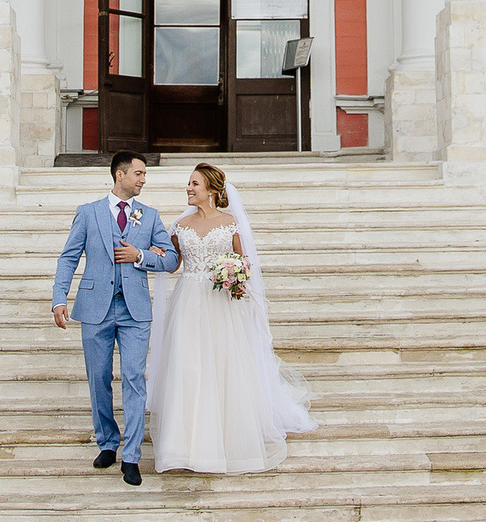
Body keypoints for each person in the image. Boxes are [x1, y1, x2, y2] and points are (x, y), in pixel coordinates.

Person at [143, 163, 317, 474]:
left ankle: (225, 440)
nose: (189, 189)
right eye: (189, 184)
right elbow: (172, 265)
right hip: (188, 302)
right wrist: (147, 255)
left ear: (210, 189)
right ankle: (182, 446)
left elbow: (244, 262)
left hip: (221, 303)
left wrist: (235, 275)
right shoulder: (180, 226)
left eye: (194, 184)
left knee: (222, 366)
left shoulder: (231, 223)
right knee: (188, 367)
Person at [51, 152, 177, 486]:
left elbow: (172, 259)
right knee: (98, 377)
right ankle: (107, 441)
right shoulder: (88, 213)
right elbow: (68, 258)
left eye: (145, 174)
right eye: (139, 173)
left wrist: (142, 256)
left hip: (135, 310)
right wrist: (58, 299)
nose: (144, 179)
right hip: (95, 307)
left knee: (135, 378)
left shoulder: (149, 217)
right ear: (119, 175)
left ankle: (132, 455)